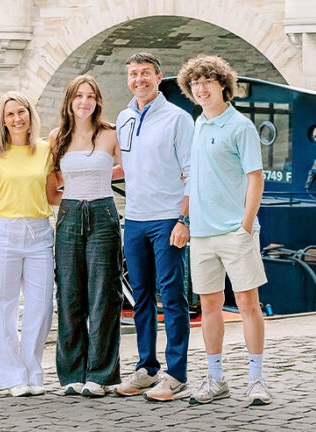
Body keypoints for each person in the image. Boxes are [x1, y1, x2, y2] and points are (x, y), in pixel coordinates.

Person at [176, 55, 271, 406]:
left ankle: (256, 379)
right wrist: (187, 221)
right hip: (202, 234)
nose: (201, 89)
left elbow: (255, 179)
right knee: (209, 306)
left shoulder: (240, 126)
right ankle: (216, 379)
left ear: (222, 86)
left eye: (207, 82)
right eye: (195, 83)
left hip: (234, 231)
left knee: (248, 303)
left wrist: (246, 226)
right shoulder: (198, 124)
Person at [114, 52, 194, 401]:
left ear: (158, 77)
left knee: (172, 295)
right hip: (134, 218)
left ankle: (176, 373)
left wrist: (184, 219)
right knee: (141, 296)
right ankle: (147, 367)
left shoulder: (178, 118)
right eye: (133, 74)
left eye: (145, 73)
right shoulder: (123, 117)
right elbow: (127, 167)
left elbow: (192, 171)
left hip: (167, 218)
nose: (139, 79)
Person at [49, 75, 123, 398]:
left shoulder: (110, 135)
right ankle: (71, 374)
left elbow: (136, 170)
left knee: (104, 296)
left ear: (98, 101)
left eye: (90, 96)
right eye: (78, 95)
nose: (84, 101)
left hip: (104, 214)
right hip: (68, 216)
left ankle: (100, 373)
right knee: (69, 295)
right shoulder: (57, 138)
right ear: (69, 100)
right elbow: (52, 190)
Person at [0, 91, 61, 397]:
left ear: (30, 115)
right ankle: (13, 375)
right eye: (9, 115)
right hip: (4, 232)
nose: (17, 119)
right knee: (3, 305)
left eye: (21, 112)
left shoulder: (45, 151)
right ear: (2, 122)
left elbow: (54, 194)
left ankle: (32, 370)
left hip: (40, 231)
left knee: (41, 306)